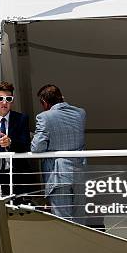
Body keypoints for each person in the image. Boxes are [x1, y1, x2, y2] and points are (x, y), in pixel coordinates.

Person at [31, 85, 86, 221]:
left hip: (58, 174)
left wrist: (32, 137)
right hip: (80, 172)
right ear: (62, 97)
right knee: (80, 220)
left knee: (63, 221)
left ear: (44, 102)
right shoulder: (80, 113)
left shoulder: (44, 117)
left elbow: (37, 148)